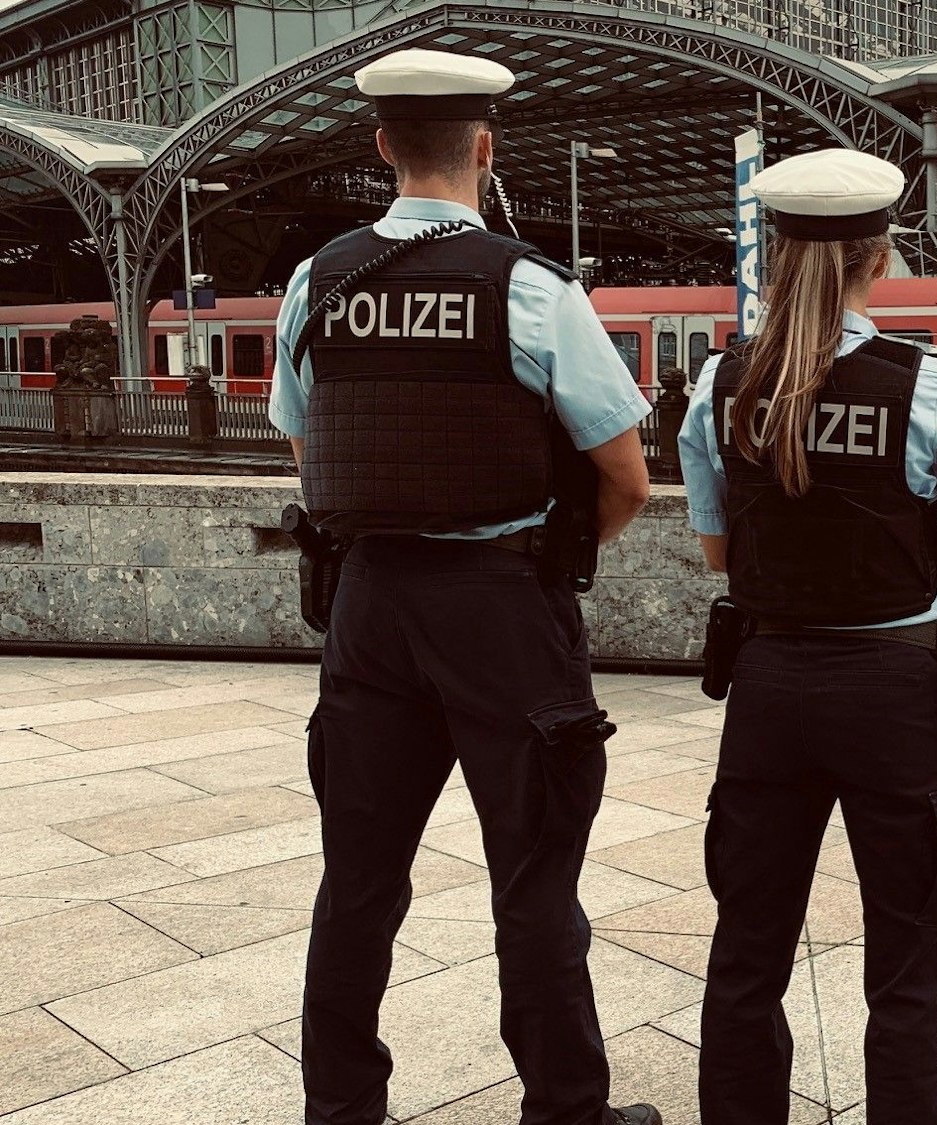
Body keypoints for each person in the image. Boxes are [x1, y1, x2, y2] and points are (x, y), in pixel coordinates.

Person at [268, 48, 660, 1125]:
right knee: (533, 879)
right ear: (485, 149)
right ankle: (565, 1109)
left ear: (382, 146)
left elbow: (308, 454)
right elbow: (625, 477)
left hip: (367, 606)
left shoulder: (316, 281)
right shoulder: (530, 286)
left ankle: (341, 1109)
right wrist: (545, 557)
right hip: (501, 607)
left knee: (358, 880)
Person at [677, 148, 937, 1124]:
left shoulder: (721, 384)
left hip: (769, 685)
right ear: (879, 259)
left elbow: (720, 553)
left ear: (776, 260)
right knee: (906, 969)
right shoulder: (920, 382)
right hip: (895, 696)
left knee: (746, 956)